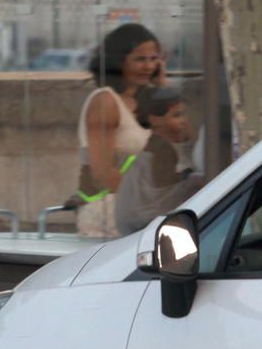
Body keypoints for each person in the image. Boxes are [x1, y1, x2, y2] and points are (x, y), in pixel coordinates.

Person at [76, 23, 165, 238]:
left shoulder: (145, 100)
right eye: (140, 59)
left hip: (141, 207)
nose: (148, 67)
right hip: (112, 209)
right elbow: (102, 173)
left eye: (154, 59)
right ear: (118, 61)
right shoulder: (105, 102)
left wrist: (162, 88)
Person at [113, 86, 205, 235]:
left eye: (183, 115)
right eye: (177, 116)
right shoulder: (163, 150)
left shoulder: (155, 145)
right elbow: (165, 193)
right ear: (154, 120)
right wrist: (189, 181)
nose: (183, 121)